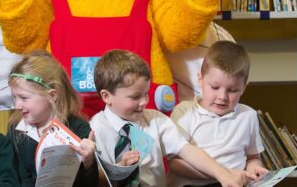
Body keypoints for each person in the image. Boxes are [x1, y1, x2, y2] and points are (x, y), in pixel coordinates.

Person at [90, 49, 252, 187]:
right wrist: (120, 169)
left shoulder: (155, 121)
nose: (144, 102)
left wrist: (222, 174)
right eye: (135, 97)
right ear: (107, 96)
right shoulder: (95, 129)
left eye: (146, 94)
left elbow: (187, 150)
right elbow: (92, 179)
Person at [167, 40, 269, 187]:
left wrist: (254, 169)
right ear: (200, 79)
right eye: (215, 87)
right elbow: (174, 163)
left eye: (232, 90)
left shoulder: (248, 116)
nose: (222, 97)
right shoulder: (184, 111)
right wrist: (222, 175)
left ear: (244, 88)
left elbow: (252, 157)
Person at [7, 49, 98, 186]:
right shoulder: (15, 129)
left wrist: (89, 162)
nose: (17, 105)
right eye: (14, 97)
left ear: (52, 95)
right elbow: (14, 176)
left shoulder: (78, 128)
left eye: (24, 98)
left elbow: (90, 183)